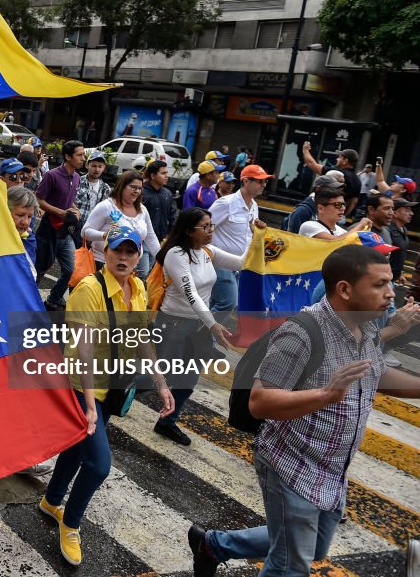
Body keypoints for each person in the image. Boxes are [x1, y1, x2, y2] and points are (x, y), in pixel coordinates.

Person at [191, 245, 420, 577]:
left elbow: (376, 371)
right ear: (345, 289)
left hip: (332, 468)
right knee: (290, 565)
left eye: (391, 283)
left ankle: (214, 545)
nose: (391, 294)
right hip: (292, 462)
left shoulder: (366, 326)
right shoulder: (302, 332)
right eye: (380, 284)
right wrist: (326, 394)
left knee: (313, 547)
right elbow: (260, 401)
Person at [41, 226, 175, 565]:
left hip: (114, 385)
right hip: (81, 388)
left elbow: (142, 336)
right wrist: (88, 405)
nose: (125, 257)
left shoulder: (139, 286)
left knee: (77, 448)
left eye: (132, 252)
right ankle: (70, 524)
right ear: (105, 251)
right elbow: (83, 351)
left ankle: (51, 500)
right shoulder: (90, 289)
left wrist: (160, 384)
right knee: (99, 464)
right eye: (119, 250)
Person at [153, 208, 244, 446]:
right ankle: (113, 396)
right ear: (188, 230)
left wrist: (260, 238)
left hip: (198, 327)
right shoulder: (176, 254)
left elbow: (243, 263)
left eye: (211, 225)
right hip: (173, 323)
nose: (211, 230)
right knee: (152, 376)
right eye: (206, 226)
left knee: (189, 378)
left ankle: (167, 423)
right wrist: (213, 324)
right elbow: (190, 293)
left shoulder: (207, 251)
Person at [209, 165, 270, 318]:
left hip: (240, 264)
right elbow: (205, 227)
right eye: (259, 181)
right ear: (246, 181)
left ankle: (200, 337)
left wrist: (258, 229)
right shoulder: (226, 203)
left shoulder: (254, 206)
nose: (263, 185)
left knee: (218, 302)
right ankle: (202, 334)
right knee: (228, 303)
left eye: (265, 182)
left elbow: (250, 233)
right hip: (220, 262)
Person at [82, 170, 162, 278]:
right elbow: (85, 232)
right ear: (122, 186)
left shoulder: (142, 210)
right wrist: (105, 235)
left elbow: (151, 237)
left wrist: (163, 260)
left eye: (139, 188)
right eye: (133, 187)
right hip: (103, 265)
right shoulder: (106, 206)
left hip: (129, 267)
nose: (136, 191)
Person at [35, 141, 85, 311]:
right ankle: (26, 297)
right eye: (79, 155)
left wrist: (75, 210)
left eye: (83, 155)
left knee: (70, 269)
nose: (82, 158)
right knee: (40, 268)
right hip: (48, 229)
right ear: (67, 156)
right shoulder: (52, 176)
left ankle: (54, 299)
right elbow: (40, 200)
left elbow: (69, 201)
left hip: (66, 232)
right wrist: (60, 213)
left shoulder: (77, 177)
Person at [301, 143, 362, 216]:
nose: (337, 159)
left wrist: (305, 150)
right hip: (338, 214)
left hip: (325, 212)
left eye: (339, 157)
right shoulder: (357, 181)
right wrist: (343, 215)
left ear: (345, 160)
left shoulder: (336, 173)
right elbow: (353, 202)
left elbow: (311, 164)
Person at [299, 187, 371, 240]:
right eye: (337, 204)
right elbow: (336, 242)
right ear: (320, 208)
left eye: (344, 204)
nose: (343, 208)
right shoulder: (308, 226)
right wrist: (360, 225)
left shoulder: (342, 232)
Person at [73, 149, 110, 235]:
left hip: (92, 230)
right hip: (74, 226)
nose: (97, 169)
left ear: (104, 168)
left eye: (100, 166)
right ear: (87, 165)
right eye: (93, 166)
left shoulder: (106, 188)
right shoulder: (77, 181)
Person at [142, 160, 176, 243]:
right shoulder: (141, 193)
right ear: (153, 176)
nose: (167, 176)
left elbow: (172, 216)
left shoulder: (167, 193)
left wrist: (170, 235)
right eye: (163, 173)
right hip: (144, 240)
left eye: (167, 173)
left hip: (162, 239)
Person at [7, 183, 38, 265]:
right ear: (5, 212)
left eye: (29, 216)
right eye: (20, 215)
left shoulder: (29, 240)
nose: (26, 222)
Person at [389, 197, 416, 285]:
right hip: (385, 278)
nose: (411, 213)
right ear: (395, 213)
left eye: (411, 210)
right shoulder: (388, 230)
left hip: (393, 278)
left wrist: (400, 273)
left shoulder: (403, 229)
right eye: (407, 210)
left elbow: (398, 254)